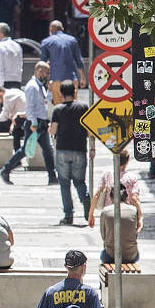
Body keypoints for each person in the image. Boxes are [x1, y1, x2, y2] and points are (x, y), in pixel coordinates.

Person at [51, 80, 92, 224]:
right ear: (74, 92)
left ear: (61, 93)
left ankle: (68, 215)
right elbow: (89, 131)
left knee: (64, 183)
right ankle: (85, 199)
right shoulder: (83, 107)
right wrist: (92, 148)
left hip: (62, 149)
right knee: (80, 181)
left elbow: (53, 130)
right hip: (80, 149)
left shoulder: (58, 109)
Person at [16, 59, 56, 185]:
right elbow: (30, 107)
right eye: (46, 73)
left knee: (48, 150)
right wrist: (33, 122)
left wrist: (49, 90)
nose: (48, 76)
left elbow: (45, 102)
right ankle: (6, 169)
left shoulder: (40, 86)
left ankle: (52, 177)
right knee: (26, 150)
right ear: (39, 71)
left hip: (42, 122)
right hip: (35, 123)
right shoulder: (32, 86)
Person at [0, 81, 31, 183]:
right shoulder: (14, 91)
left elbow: (5, 115)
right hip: (24, 118)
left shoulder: (7, 96)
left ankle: (8, 167)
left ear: (0, 94)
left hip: (26, 118)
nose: (1, 102)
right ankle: (13, 164)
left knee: (24, 145)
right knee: (17, 134)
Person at [40, 16, 83, 85]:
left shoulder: (46, 42)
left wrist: (45, 80)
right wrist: (82, 77)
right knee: (71, 96)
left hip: (55, 79)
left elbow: (42, 63)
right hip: (71, 79)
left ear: (50, 30)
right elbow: (79, 60)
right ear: (62, 29)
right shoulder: (72, 40)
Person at [0, 21, 25, 88]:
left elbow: (0, 66)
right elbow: (21, 64)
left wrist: (0, 85)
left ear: (0, 33)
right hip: (17, 80)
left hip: (5, 81)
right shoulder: (18, 46)